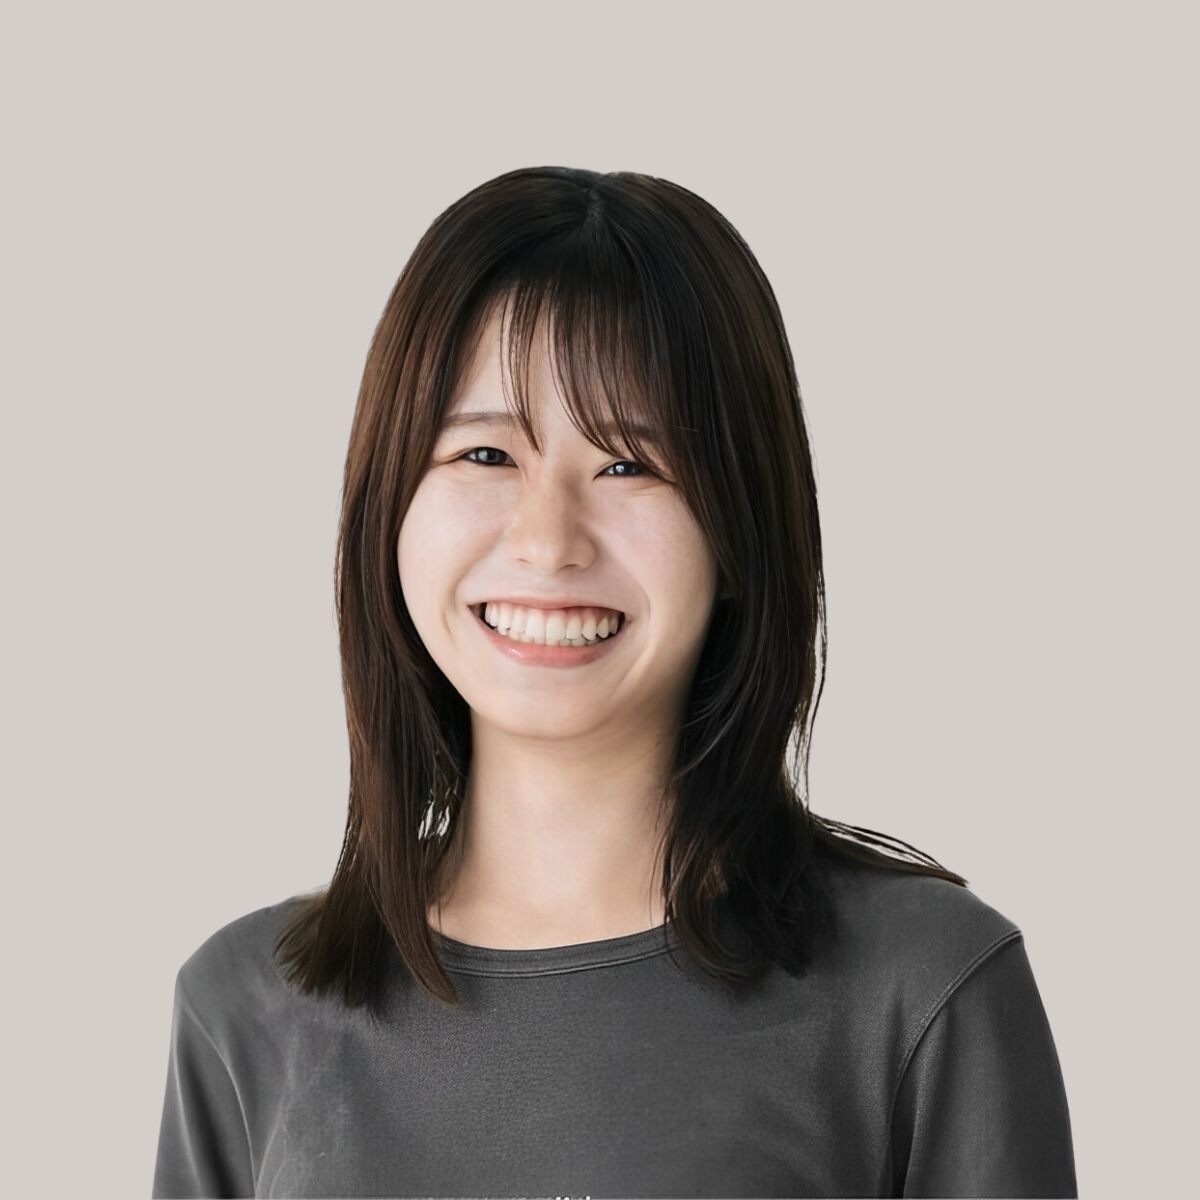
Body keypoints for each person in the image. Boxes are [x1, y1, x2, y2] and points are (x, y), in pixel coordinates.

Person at [152, 166, 1077, 1198]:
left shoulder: (923, 992)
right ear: (388, 508)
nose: (548, 541)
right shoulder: (244, 1012)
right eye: (485, 454)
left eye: (629, 465)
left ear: (741, 526)